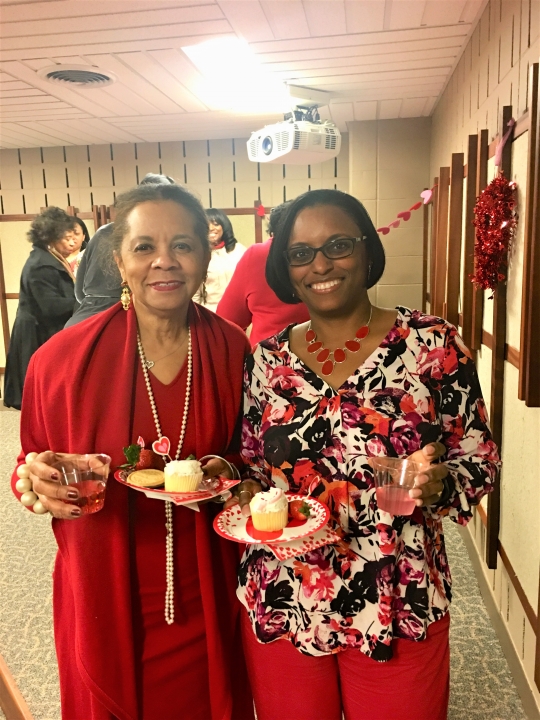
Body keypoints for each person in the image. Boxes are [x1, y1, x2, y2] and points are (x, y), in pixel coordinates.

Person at [232, 189, 500, 720]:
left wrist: (440, 482)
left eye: (338, 245)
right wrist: (238, 490)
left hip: (397, 593)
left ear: (366, 249)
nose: (321, 265)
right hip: (285, 592)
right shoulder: (267, 360)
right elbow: (253, 466)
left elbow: (479, 460)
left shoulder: (432, 344)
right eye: (301, 253)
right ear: (285, 267)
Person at [11, 184, 254, 720]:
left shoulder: (232, 348)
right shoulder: (61, 361)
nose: (164, 260)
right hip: (105, 587)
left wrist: (229, 469)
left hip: (207, 586)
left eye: (183, 245)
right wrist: (36, 483)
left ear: (205, 255)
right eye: (144, 247)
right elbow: (29, 463)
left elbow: (251, 455)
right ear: (119, 261)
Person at [66, 173, 176, 328]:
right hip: (120, 316)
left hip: (82, 317)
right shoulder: (147, 233)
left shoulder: (102, 232)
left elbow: (79, 292)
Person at [4, 207, 77, 410]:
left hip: (42, 329)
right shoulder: (41, 264)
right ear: (50, 237)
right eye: (66, 238)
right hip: (36, 333)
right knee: (40, 397)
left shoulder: (48, 257)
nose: (72, 243)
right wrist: (84, 303)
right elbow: (51, 306)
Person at [216, 203, 310, 346]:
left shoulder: (257, 255)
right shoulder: (322, 255)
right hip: (327, 353)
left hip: (268, 354)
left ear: (272, 231)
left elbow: (227, 320)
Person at [194, 208, 245, 312]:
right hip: (210, 312)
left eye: (216, 224)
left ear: (224, 226)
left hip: (238, 311)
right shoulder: (198, 254)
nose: (211, 228)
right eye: (207, 225)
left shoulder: (239, 251)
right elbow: (195, 292)